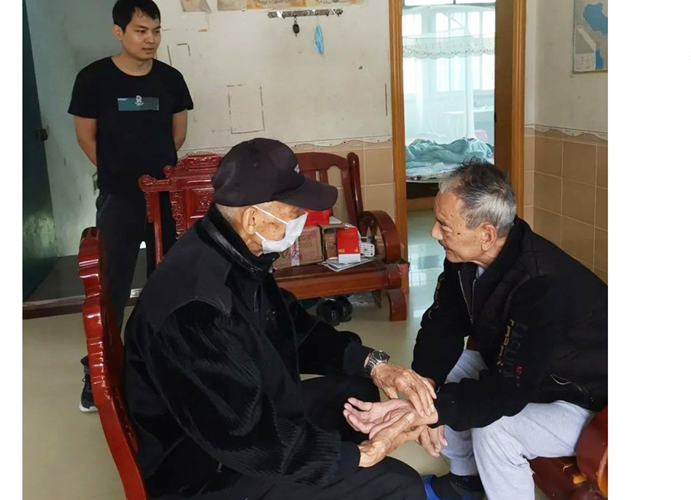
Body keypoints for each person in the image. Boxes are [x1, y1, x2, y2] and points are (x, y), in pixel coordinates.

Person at [122, 138, 438, 500]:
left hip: (243, 413)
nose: (303, 222)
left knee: (356, 392)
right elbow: (244, 437)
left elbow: (293, 329)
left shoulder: (234, 252)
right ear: (254, 217)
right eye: (294, 212)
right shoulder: (196, 309)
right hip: (205, 471)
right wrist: (361, 455)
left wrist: (374, 365)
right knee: (400, 485)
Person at [343, 162, 608, 500]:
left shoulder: (543, 285)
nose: (434, 234)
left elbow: (509, 392)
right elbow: (442, 325)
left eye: (443, 225)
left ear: (485, 233)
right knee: (448, 371)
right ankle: (465, 481)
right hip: (536, 376)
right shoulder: (466, 258)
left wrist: (426, 414)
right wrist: (422, 392)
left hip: (590, 402)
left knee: (496, 429)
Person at [68, 0, 194, 412]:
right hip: (120, 198)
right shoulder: (93, 80)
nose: (151, 39)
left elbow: (177, 136)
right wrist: (120, 175)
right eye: (141, 30)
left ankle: (161, 363)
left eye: (156, 31)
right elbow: (86, 137)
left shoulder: (170, 79)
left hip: (165, 196)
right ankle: (100, 371)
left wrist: (154, 179)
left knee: (168, 281)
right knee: (112, 285)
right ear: (118, 32)